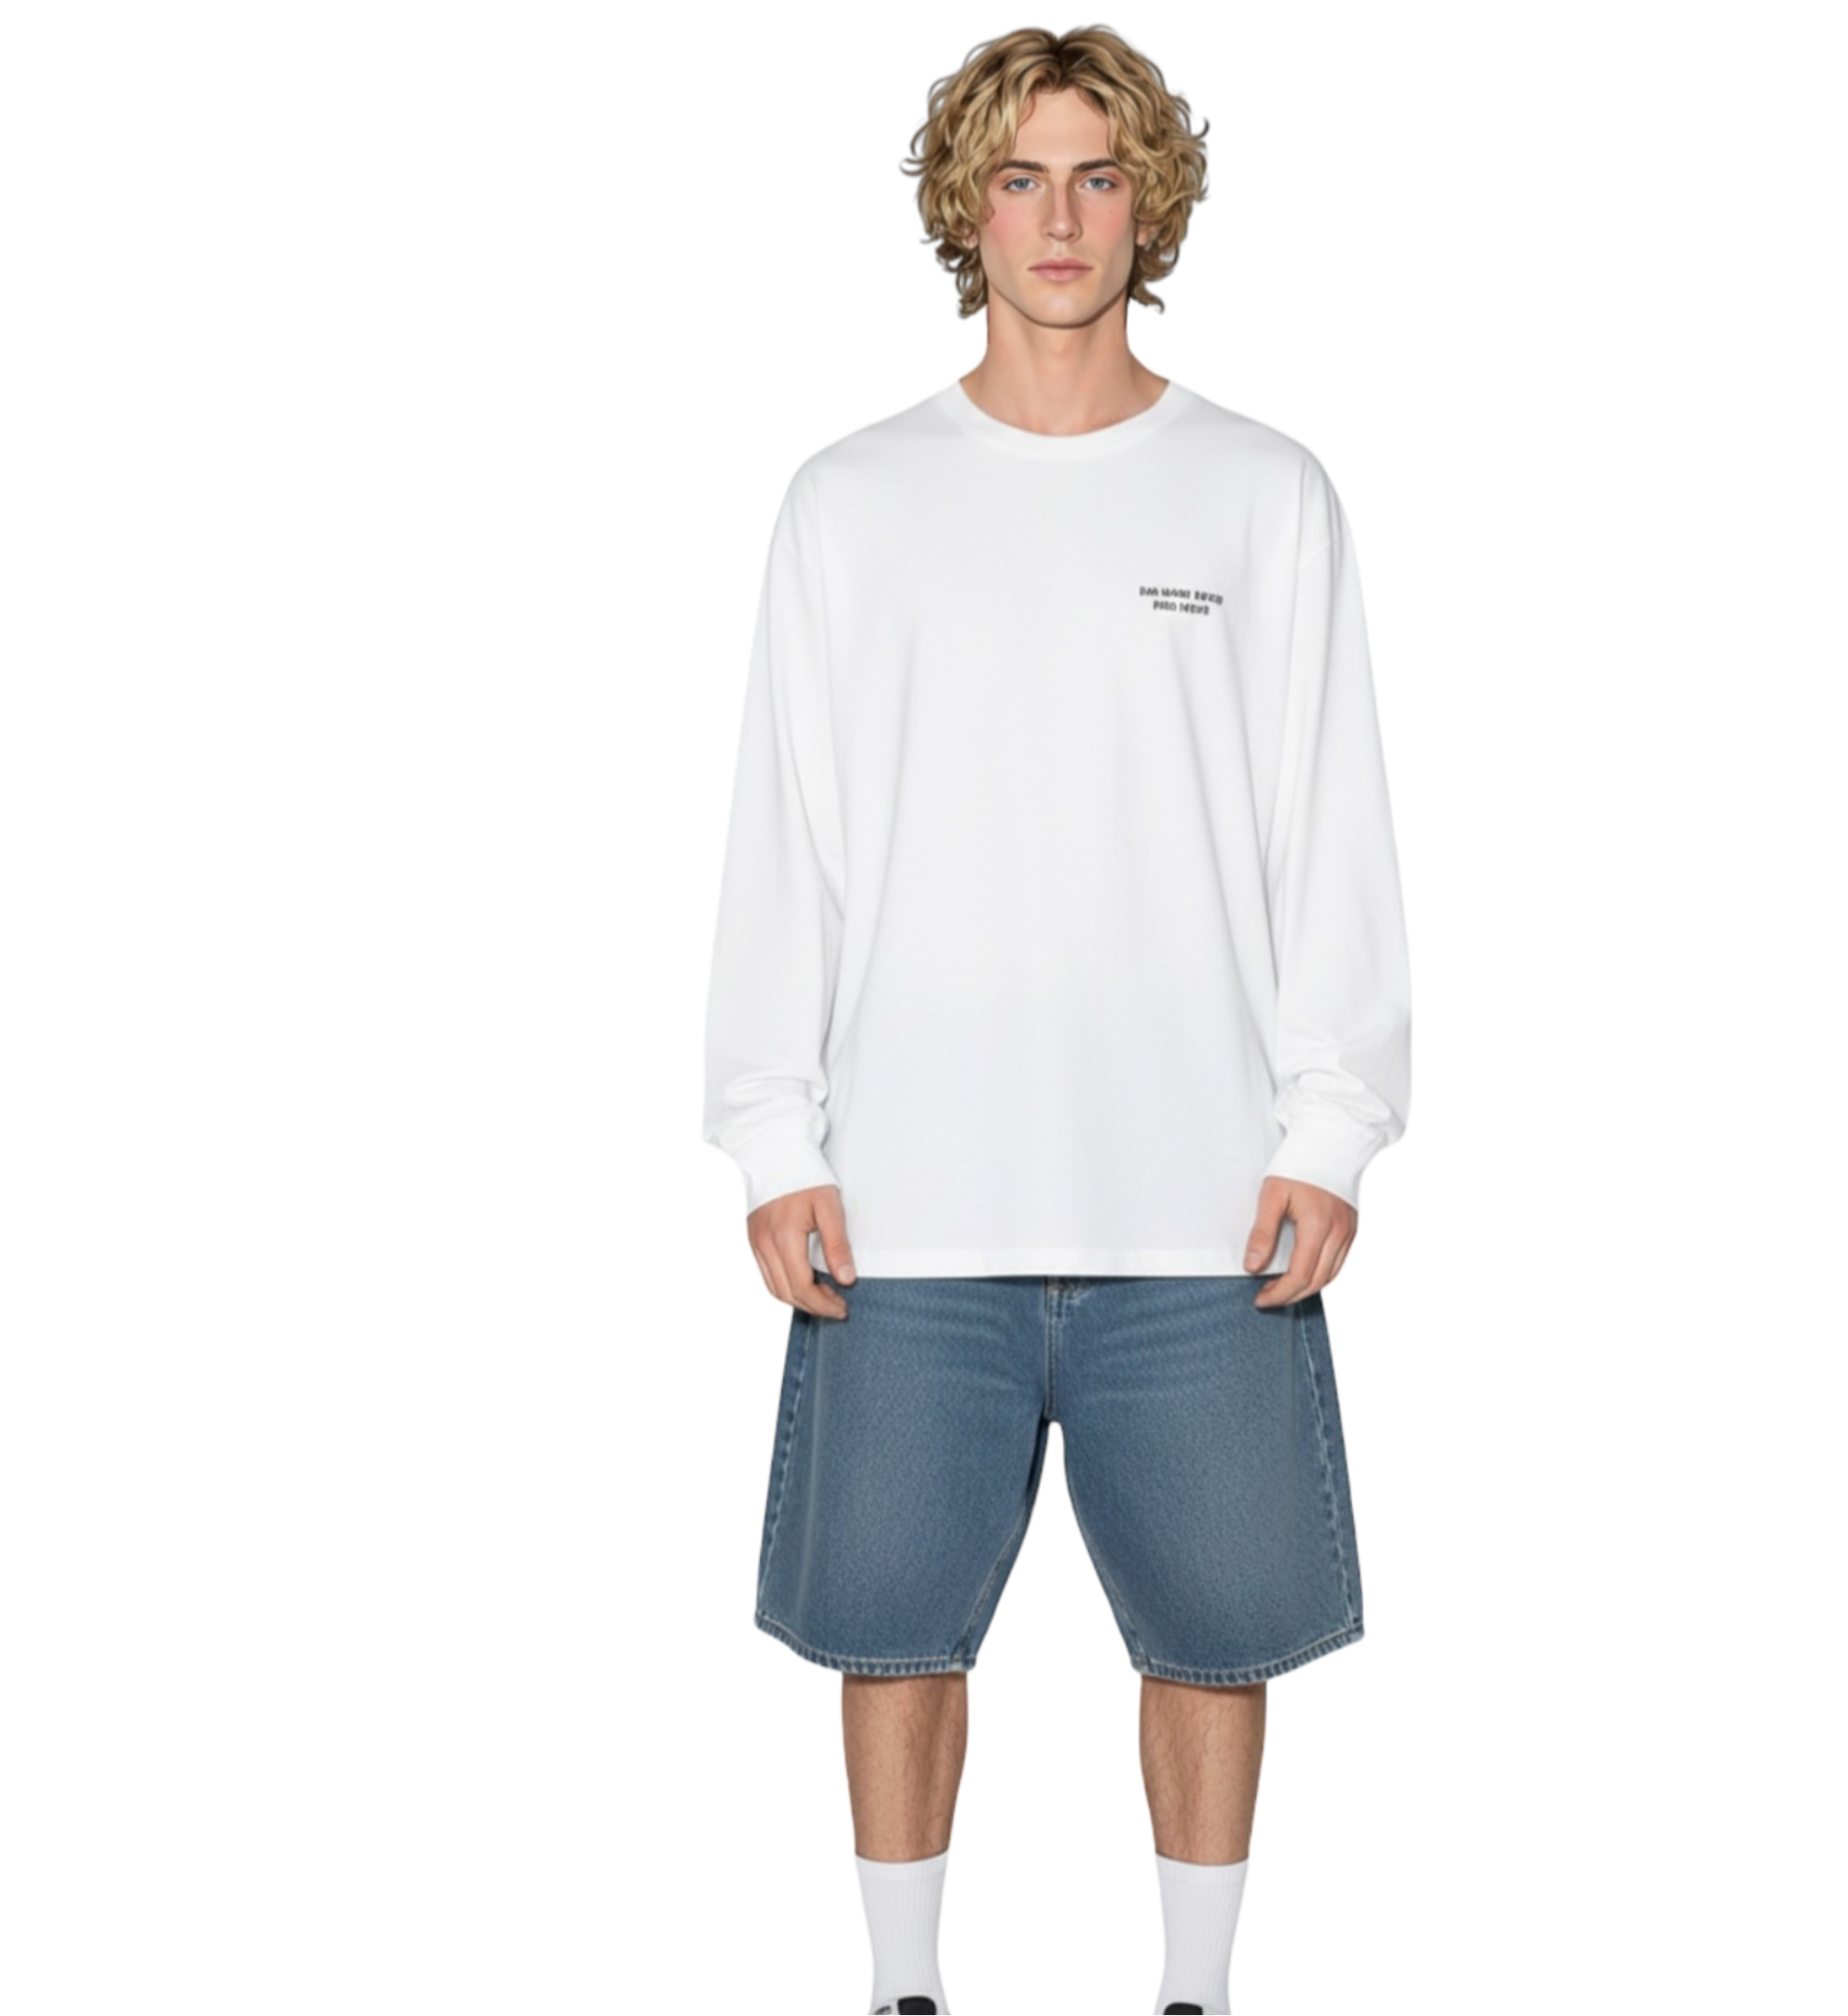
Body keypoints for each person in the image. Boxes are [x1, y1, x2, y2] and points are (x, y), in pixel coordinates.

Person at [696, 25, 1413, 2016]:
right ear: (965, 211)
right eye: (1020, 177)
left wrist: (1330, 1127)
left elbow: (1332, 830)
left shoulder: (1264, 492)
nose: (1061, 217)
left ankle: (1199, 1999)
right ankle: (901, 1994)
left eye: (1099, 175)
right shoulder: (850, 500)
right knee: (889, 1625)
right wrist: (772, 1135)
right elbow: (782, 837)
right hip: (904, 1195)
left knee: (1219, 1629)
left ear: (1150, 204)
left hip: (1205, 1199)